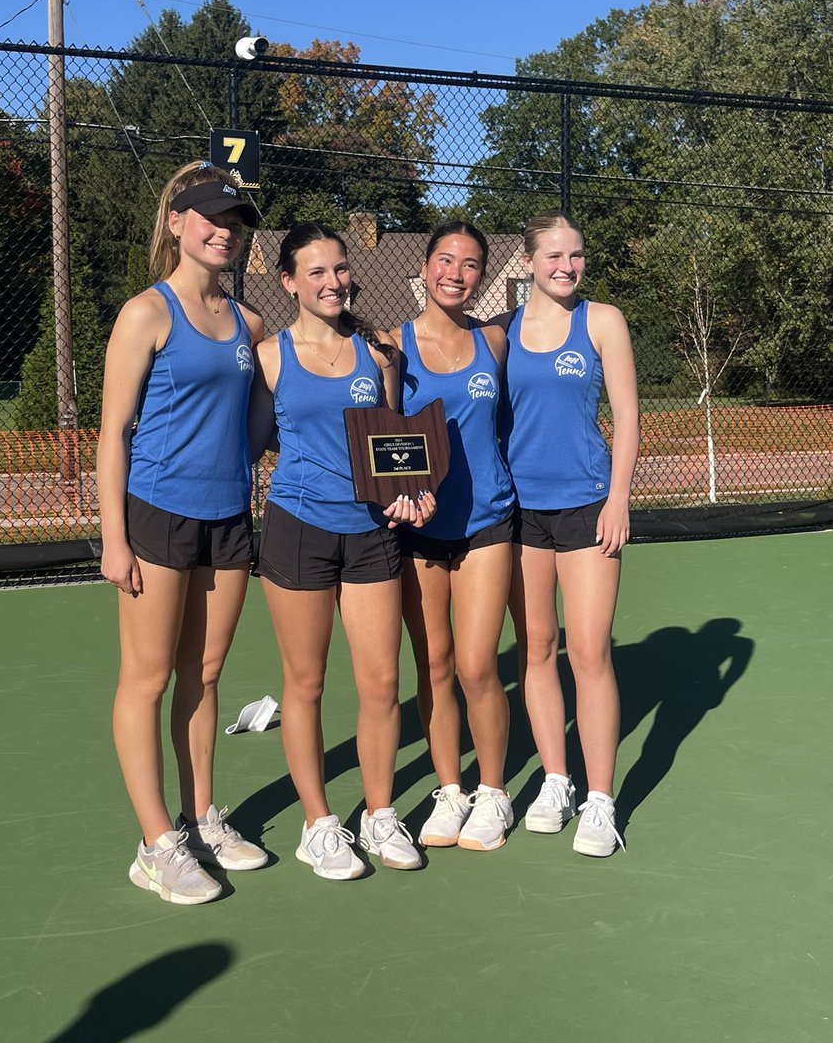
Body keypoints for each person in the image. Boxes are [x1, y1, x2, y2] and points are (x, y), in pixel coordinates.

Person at [97, 161, 268, 905]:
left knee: (204, 677)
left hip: (230, 518)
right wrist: (112, 537)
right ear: (177, 222)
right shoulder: (147, 313)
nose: (223, 231)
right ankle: (156, 842)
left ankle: (202, 817)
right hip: (156, 518)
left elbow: (259, 429)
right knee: (148, 678)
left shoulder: (250, 324)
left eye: (234, 222)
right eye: (210, 217)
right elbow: (113, 433)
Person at [250, 222, 434, 881]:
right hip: (297, 529)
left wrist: (413, 493)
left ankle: (379, 813)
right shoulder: (270, 357)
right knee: (305, 684)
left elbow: (391, 446)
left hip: (369, 533)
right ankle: (318, 826)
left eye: (340, 269)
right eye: (316, 271)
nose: (333, 282)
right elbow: (247, 445)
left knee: (382, 683)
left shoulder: (377, 353)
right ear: (289, 281)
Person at [495, 212, 639, 858]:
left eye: (576, 254)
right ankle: (557, 780)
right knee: (535, 650)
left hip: (587, 507)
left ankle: (601, 801)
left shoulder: (603, 321)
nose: (566, 265)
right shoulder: (501, 334)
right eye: (553, 254)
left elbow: (630, 416)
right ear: (528, 262)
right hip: (521, 515)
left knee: (589, 651)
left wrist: (618, 498)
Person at [396, 222, 516, 852]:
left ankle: (492, 793)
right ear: (424, 265)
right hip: (419, 534)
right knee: (435, 666)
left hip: (488, 523)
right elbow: (377, 436)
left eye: (471, 265)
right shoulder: (392, 347)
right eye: (446, 260)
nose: (457, 274)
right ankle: (450, 789)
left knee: (476, 667)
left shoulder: (495, 341)